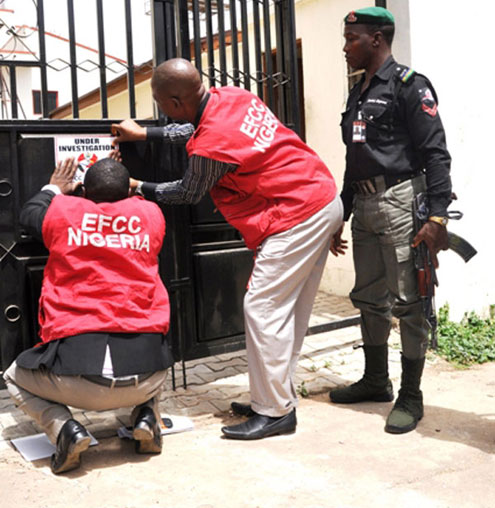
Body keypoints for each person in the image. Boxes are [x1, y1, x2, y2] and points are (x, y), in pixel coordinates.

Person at [111, 58, 343, 440]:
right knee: (288, 310)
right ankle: (274, 398)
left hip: (297, 212)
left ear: (173, 101)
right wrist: (146, 136)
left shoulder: (214, 140)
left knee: (263, 307)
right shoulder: (230, 96)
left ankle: (275, 412)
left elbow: (187, 190)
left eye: (159, 104)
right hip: (318, 196)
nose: (160, 112)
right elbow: (192, 128)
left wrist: (137, 186)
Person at [3, 156, 173, 473]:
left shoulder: (65, 213)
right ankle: (148, 418)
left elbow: (29, 215)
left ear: (83, 190)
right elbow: (132, 203)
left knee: (14, 375)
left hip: (77, 381)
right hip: (147, 375)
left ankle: (66, 430)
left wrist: (54, 187)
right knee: (156, 342)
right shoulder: (150, 214)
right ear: (129, 190)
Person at [329, 7, 452, 434]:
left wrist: (437, 217)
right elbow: (354, 158)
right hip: (364, 205)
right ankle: (376, 380)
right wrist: (341, 214)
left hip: (401, 201)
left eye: (352, 39)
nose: (345, 47)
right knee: (367, 295)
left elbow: (436, 154)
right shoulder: (358, 91)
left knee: (409, 300)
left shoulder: (409, 87)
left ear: (377, 39)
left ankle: (411, 395)